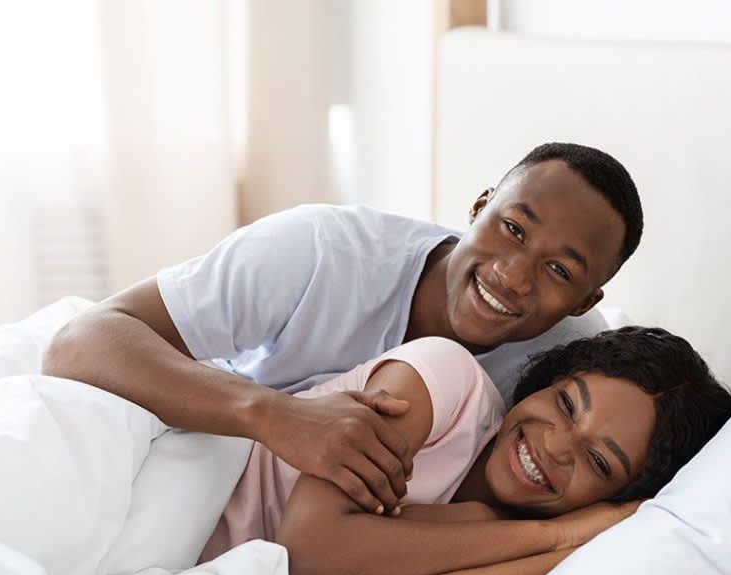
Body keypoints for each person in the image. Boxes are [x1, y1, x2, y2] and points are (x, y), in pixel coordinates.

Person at [43, 143, 645, 518]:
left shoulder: (575, 365)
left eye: (559, 269)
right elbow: (82, 341)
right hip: (213, 462)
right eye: (513, 228)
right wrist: (275, 415)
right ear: (478, 206)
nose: (514, 276)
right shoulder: (319, 250)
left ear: (584, 301)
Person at [196, 327, 731, 575]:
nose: (555, 446)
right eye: (567, 403)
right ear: (549, 378)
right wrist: (557, 536)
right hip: (182, 477)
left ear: (615, 498)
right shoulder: (445, 382)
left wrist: (566, 542)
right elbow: (312, 550)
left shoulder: (516, 533)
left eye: (597, 461)